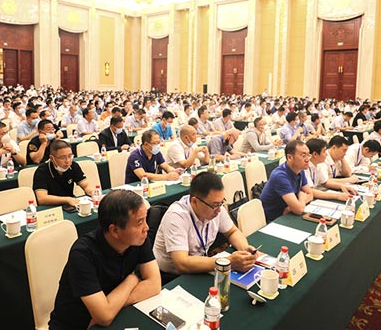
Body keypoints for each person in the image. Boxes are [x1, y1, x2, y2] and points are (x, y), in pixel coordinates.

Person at [49, 190, 161, 330]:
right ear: (115, 231)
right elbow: (104, 317)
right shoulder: (82, 253)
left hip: (114, 316)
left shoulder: (138, 239)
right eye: (139, 223)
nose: (146, 228)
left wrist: (112, 306)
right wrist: (131, 280)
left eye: (145, 219)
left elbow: (155, 284)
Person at [153, 172, 257, 277]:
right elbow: (182, 263)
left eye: (221, 203)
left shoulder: (216, 207)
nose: (219, 210)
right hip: (171, 276)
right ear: (194, 202)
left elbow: (232, 232)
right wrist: (227, 261)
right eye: (215, 205)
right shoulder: (176, 216)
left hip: (201, 264)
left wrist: (245, 249)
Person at [260, 140, 314, 222]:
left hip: (288, 213)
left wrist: (294, 206)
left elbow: (310, 194)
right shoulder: (280, 176)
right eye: (303, 155)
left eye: (308, 155)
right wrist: (302, 196)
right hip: (274, 219)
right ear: (289, 157)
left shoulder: (300, 169)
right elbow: (299, 210)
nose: (307, 159)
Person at [33, 140, 93, 206]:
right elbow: (42, 199)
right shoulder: (42, 171)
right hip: (50, 207)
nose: (67, 161)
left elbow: (86, 185)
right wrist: (67, 200)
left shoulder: (73, 166)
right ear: (52, 158)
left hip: (70, 205)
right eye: (62, 157)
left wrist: (92, 193)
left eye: (70, 156)